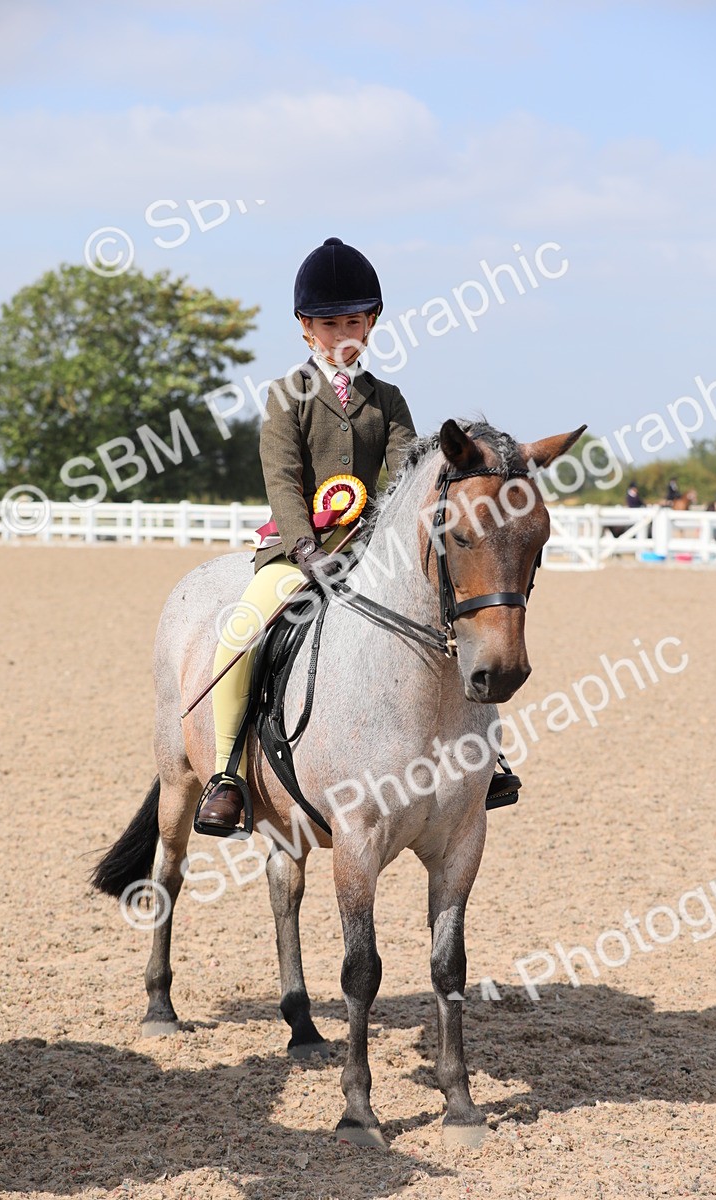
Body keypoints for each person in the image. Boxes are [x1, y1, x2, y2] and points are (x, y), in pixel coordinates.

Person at [196, 238, 521, 835]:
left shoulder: (388, 400)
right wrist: (305, 548)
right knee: (243, 630)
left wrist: (379, 539)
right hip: (299, 549)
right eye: (327, 323)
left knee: (448, 616)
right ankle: (227, 774)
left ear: (370, 324)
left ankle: (483, 757)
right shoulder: (285, 397)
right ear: (304, 328)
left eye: (352, 320)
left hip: (374, 551)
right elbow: (283, 479)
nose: (340, 333)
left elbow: (404, 479)